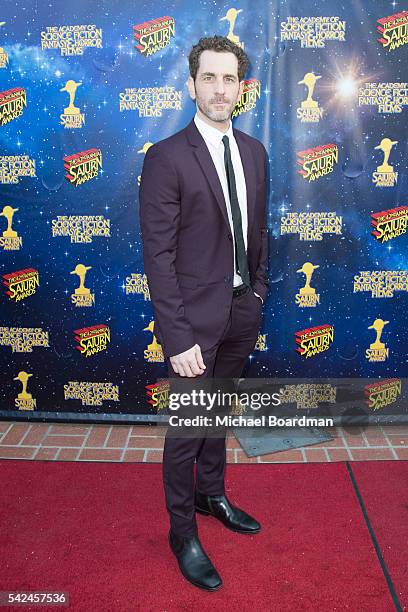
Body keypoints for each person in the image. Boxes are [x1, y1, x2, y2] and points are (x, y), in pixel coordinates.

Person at [139, 35, 269, 591]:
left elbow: (257, 232)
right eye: (209, 78)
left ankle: (212, 494)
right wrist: (177, 336)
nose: (220, 89)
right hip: (192, 325)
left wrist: (257, 293)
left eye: (229, 79)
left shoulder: (256, 152)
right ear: (191, 84)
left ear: (242, 88)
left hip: (242, 313)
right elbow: (159, 258)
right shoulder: (167, 157)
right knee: (188, 430)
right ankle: (181, 530)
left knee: (218, 417)